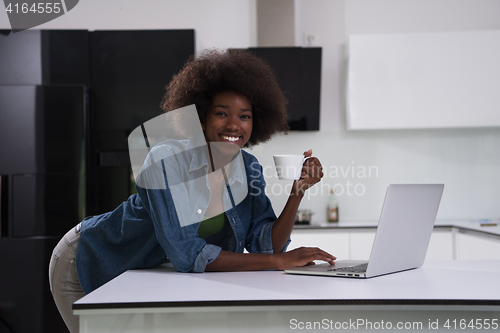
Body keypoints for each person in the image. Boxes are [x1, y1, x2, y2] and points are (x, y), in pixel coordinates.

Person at [48, 49, 336, 333]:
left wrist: (297, 191)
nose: (234, 124)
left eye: (244, 116)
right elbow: (187, 254)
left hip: (140, 272)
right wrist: (277, 261)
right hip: (88, 260)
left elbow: (266, 245)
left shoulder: (248, 167)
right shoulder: (165, 160)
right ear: (200, 118)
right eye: (222, 113)